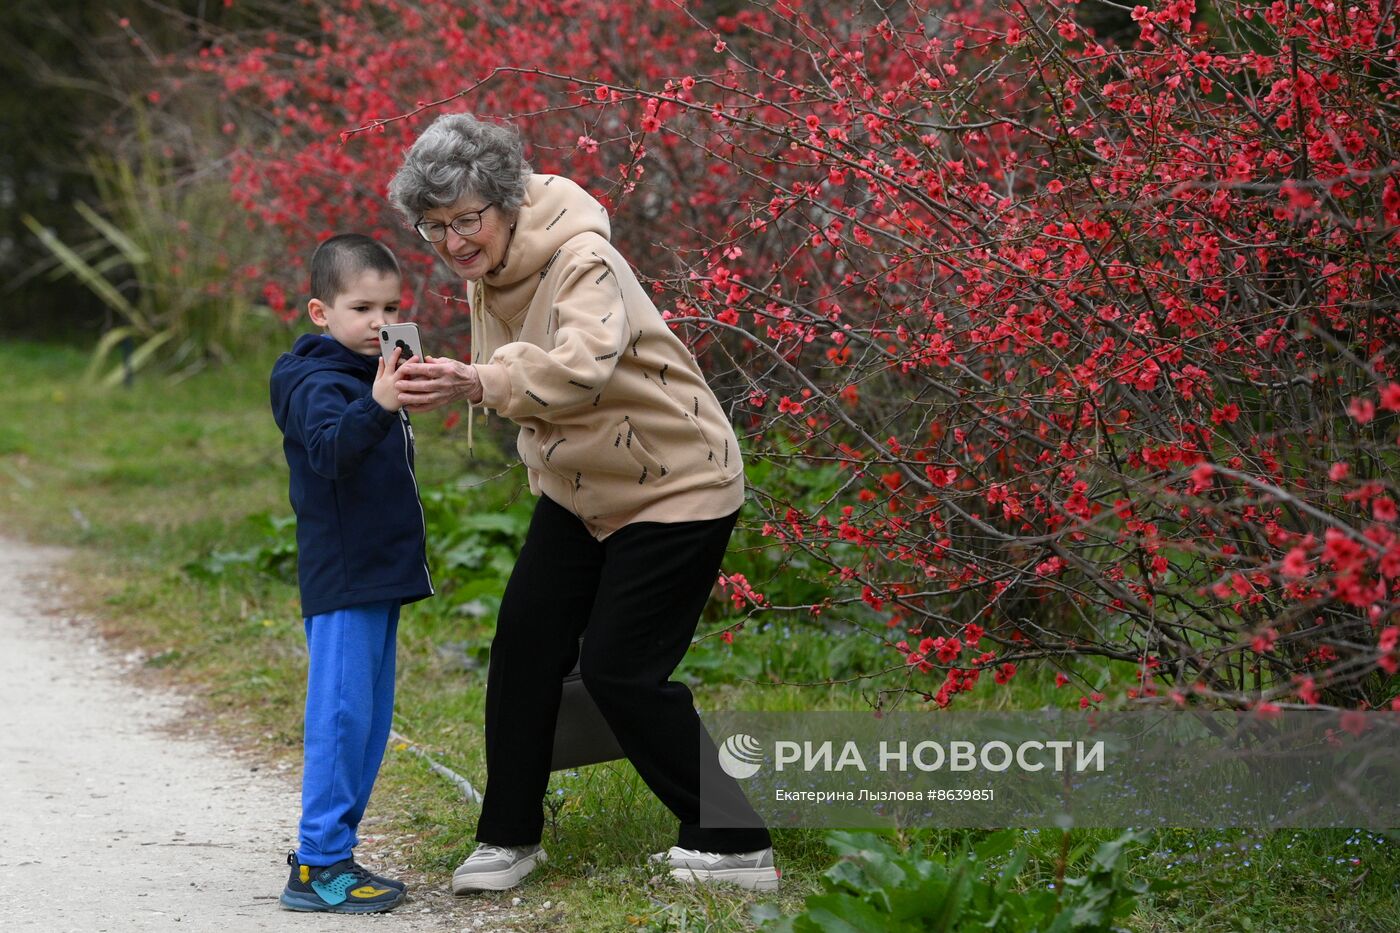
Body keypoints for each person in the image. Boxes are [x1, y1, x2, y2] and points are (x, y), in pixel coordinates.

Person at [386, 112, 777, 894]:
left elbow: (582, 369)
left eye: (467, 219)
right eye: (436, 227)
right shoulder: (488, 268)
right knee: (524, 647)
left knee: (619, 669)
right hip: (581, 488)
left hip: (677, 482)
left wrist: (477, 380)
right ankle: (508, 836)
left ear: (505, 202)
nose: (455, 242)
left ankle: (735, 841)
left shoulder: (582, 257)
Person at [268, 234, 435, 913]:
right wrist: (380, 402)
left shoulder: (374, 370)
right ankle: (316, 865)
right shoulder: (308, 380)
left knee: (367, 723)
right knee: (339, 718)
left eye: (391, 305)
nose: (378, 321)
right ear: (319, 310)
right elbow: (333, 449)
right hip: (344, 576)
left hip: (381, 573)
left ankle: (336, 848)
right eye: (361, 306)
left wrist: (399, 393)